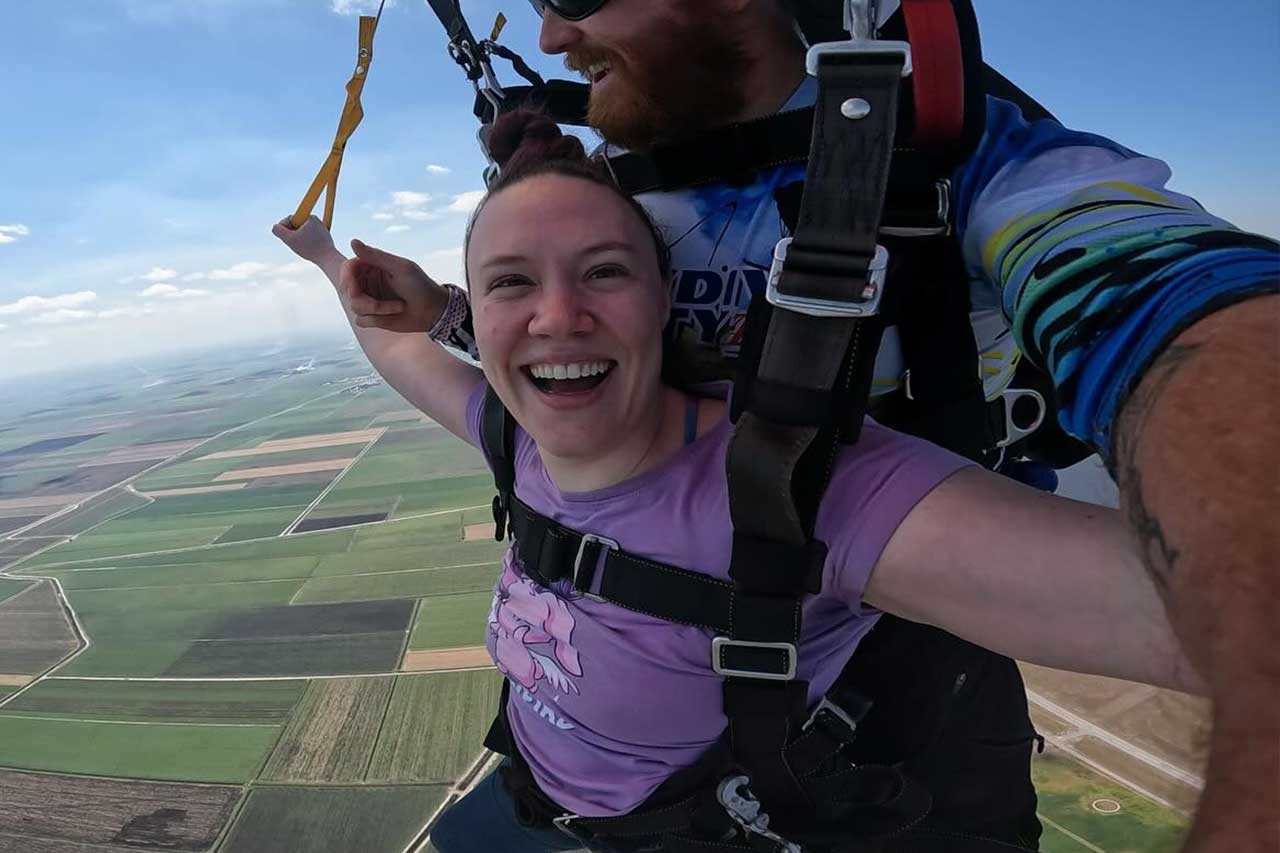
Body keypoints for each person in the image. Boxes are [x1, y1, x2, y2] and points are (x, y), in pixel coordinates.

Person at [312, 3, 1280, 849]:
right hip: (590, 764)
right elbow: (564, 353)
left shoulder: (955, 164)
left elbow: (1168, 298)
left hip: (845, 690)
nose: (550, 37)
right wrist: (428, 305)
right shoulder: (616, 181)